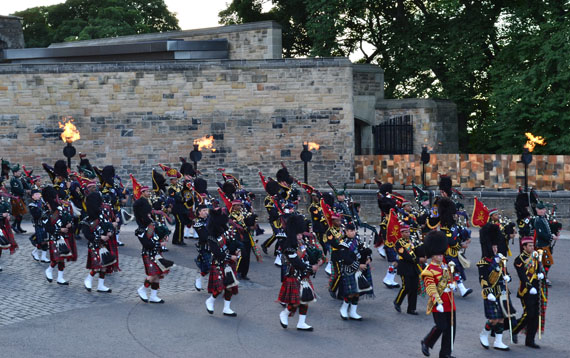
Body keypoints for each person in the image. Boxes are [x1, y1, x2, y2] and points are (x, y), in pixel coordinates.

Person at [278, 215, 320, 331]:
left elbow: (306, 257)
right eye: (298, 234)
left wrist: (317, 259)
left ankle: (301, 323)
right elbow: (296, 263)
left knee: (305, 300)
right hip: (293, 275)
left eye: (301, 233)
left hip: (304, 276)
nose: (301, 236)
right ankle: (285, 313)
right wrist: (311, 268)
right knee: (295, 301)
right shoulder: (288, 247)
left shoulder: (301, 244)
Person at [420, 230, 456, 358]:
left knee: (451, 329)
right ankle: (426, 342)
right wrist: (437, 302)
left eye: (441, 255)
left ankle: (445, 354)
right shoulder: (428, 271)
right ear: (432, 255)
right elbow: (430, 288)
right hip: (438, 303)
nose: (441, 257)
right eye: (438, 255)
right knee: (441, 326)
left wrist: (453, 285)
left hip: (450, 302)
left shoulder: (445, 266)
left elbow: (452, 279)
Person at [133, 191, 173, 303]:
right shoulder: (141, 230)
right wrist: (159, 244)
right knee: (153, 274)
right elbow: (147, 243)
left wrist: (164, 236)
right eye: (147, 214)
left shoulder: (151, 224)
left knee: (158, 274)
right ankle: (142, 289)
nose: (149, 216)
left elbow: (157, 236)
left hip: (157, 253)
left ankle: (154, 296)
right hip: (148, 253)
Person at [477, 223, 510, 351]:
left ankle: (498, 341)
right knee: (493, 319)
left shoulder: (500, 259)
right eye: (493, 246)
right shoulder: (483, 262)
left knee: (502, 317)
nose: (495, 249)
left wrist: (508, 277)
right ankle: (484, 334)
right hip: (490, 293)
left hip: (501, 291)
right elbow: (483, 279)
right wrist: (488, 292)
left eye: (496, 246)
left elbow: (506, 274)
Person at [205, 208, 240, 316]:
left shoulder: (224, 233)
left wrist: (236, 250)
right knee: (219, 288)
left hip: (228, 264)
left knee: (229, 286)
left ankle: (226, 308)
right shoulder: (211, 237)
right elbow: (217, 253)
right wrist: (231, 256)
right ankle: (210, 300)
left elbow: (230, 245)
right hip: (218, 264)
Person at [512, 237, 545, 349]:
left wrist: (541, 274)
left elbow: (538, 268)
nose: (532, 247)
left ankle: (530, 340)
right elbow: (522, 274)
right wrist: (529, 286)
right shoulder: (519, 260)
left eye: (532, 245)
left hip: (537, 289)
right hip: (526, 290)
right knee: (528, 314)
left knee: (536, 316)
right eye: (529, 245)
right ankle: (514, 330)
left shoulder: (536, 256)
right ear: (524, 247)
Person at [394, 224, 423, 315]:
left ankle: (411, 309)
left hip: (413, 267)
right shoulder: (399, 243)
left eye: (408, 231)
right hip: (404, 266)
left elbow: (417, 251)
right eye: (405, 232)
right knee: (406, 287)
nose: (408, 233)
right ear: (401, 233)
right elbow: (405, 255)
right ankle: (397, 302)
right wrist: (418, 260)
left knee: (414, 288)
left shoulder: (412, 241)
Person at [533, 202, 558, 285]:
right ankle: (544, 277)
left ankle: (542, 276)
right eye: (541, 209)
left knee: (544, 262)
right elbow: (541, 234)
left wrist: (554, 232)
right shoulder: (538, 220)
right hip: (541, 245)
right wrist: (551, 237)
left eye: (544, 209)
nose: (543, 211)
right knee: (547, 262)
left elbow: (548, 229)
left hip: (546, 244)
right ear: (538, 211)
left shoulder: (543, 219)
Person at [28, 188, 50, 263]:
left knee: (45, 240)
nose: (38, 195)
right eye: (36, 194)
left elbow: (48, 210)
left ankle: (41, 256)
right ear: (32, 197)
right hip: (39, 224)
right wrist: (44, 211)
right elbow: (37, 215)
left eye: (39, 194)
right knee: (42, 241)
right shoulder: (32, 205)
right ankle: (39, 255)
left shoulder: (42, 202)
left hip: (46, 223)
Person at [194, 204, 210, 291]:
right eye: (203, 210)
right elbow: (204, 236)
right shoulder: (198, 224)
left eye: (206, 210)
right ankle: (199, 278)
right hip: (205, 247)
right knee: (208, 267)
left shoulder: (210, 220)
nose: (205, 212)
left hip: (215, 246)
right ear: (199, 212)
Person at [10, 164, 29, 233]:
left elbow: (25, 186)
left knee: (20, 213)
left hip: (20, 198)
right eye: (18, 171)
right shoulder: (13, 180)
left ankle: (18, 226)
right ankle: (14, 225)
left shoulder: (19, 179)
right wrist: (25, 191)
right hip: (15, 198)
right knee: (18, 213)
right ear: (15, 173)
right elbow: (17, 190)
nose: (20, 172)